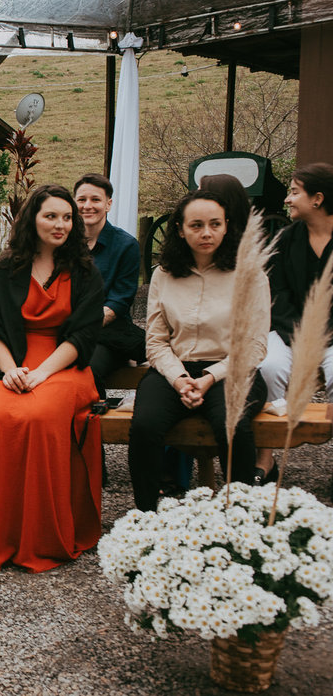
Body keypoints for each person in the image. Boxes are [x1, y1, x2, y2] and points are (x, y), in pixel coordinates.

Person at [0, 184, 104, 572]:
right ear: (32, 220)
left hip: (63, 365)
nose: (60, 224)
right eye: (51, 216)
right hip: (10, 362)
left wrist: (41, 374)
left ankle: (38, 537)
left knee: (39, 417)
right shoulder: (6, 269)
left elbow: (83, 335)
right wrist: (11, 370)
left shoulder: (85, 272)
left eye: (67, 217)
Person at [128, 190, 269, 511]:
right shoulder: (164, 274)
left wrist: (208, 378)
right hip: (174, 370)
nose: (206, 233)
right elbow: (156, 341)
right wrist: (179, 379)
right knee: (145, 425)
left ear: (226, 226)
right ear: (180, 229)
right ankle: (145, 515)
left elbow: (255, 345)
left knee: (232, 425)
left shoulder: (250, 274)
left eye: (215, 224)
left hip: (231, 371)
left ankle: (240, 516)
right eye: (196, 225)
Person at [259, 163, 333, 484]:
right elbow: (277, 293)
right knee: (268, 366)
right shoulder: (286, 239)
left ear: (317, 199)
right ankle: (265, 458)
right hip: (290, 330)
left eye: (293, 192)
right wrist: (299, 333)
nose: (287, 199)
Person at [200, 172, 276, 484]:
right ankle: (179, 472)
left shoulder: (251, 256)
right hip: (199, 353)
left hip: (241, 350)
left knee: (232, 413)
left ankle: (248, 479)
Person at [73, 173, 145, 400]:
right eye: (81, 200)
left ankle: (92, 413)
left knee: (85, 370)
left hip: (107, 333)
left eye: (95, 199)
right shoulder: (63, 242)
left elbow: (119, 301)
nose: (87, 206)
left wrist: (81, 326)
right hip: (67, 330)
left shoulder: (126, 245)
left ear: (108, 204)